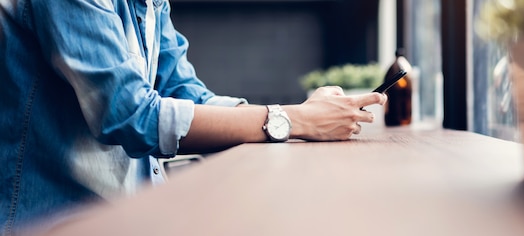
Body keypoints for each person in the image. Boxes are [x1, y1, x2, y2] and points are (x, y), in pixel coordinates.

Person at [0, 0, 386, 234]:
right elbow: (131, 115)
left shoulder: (151, 4)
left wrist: (302, 116)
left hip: (126, 219)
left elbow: (188, 94)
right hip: (50, 225)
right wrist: (290, 120)